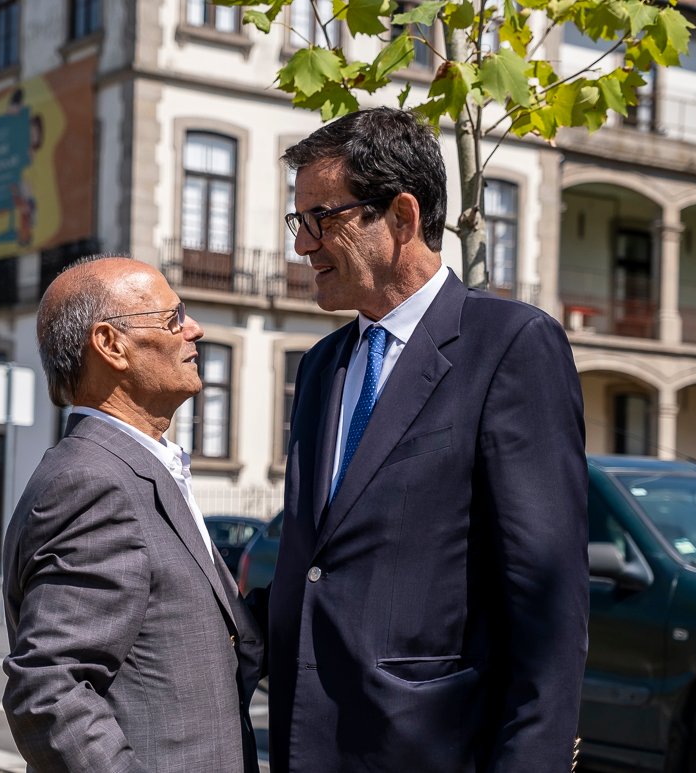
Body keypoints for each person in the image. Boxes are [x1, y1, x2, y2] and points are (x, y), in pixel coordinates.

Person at [268, 107, 589, 772]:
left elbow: (548, 607)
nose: (303, 246)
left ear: (402, 217)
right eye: (299, 222)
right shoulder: (322, 367)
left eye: (321, 218)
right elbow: (318, 565)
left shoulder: (511, 345)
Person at [2, 256, 263, 773]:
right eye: (173, 318)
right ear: (111, 344)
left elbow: (205, 635)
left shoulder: (135, 465)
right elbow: (49, 690)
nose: (194, 329)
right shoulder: (95, 482)